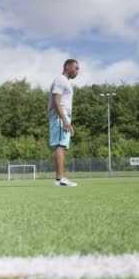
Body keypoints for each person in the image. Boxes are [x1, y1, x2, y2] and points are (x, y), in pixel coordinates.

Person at [48, 59, 79, 187]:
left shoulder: (65, 82)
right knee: (60, 145)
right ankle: (59, 179)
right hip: (60, 117)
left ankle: (60, 178)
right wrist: (65, 120)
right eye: (76, 68)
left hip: (63, 117)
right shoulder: (60, 80)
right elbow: (56, 100)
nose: (78, 71)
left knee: (63, 146)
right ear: (67, 67)